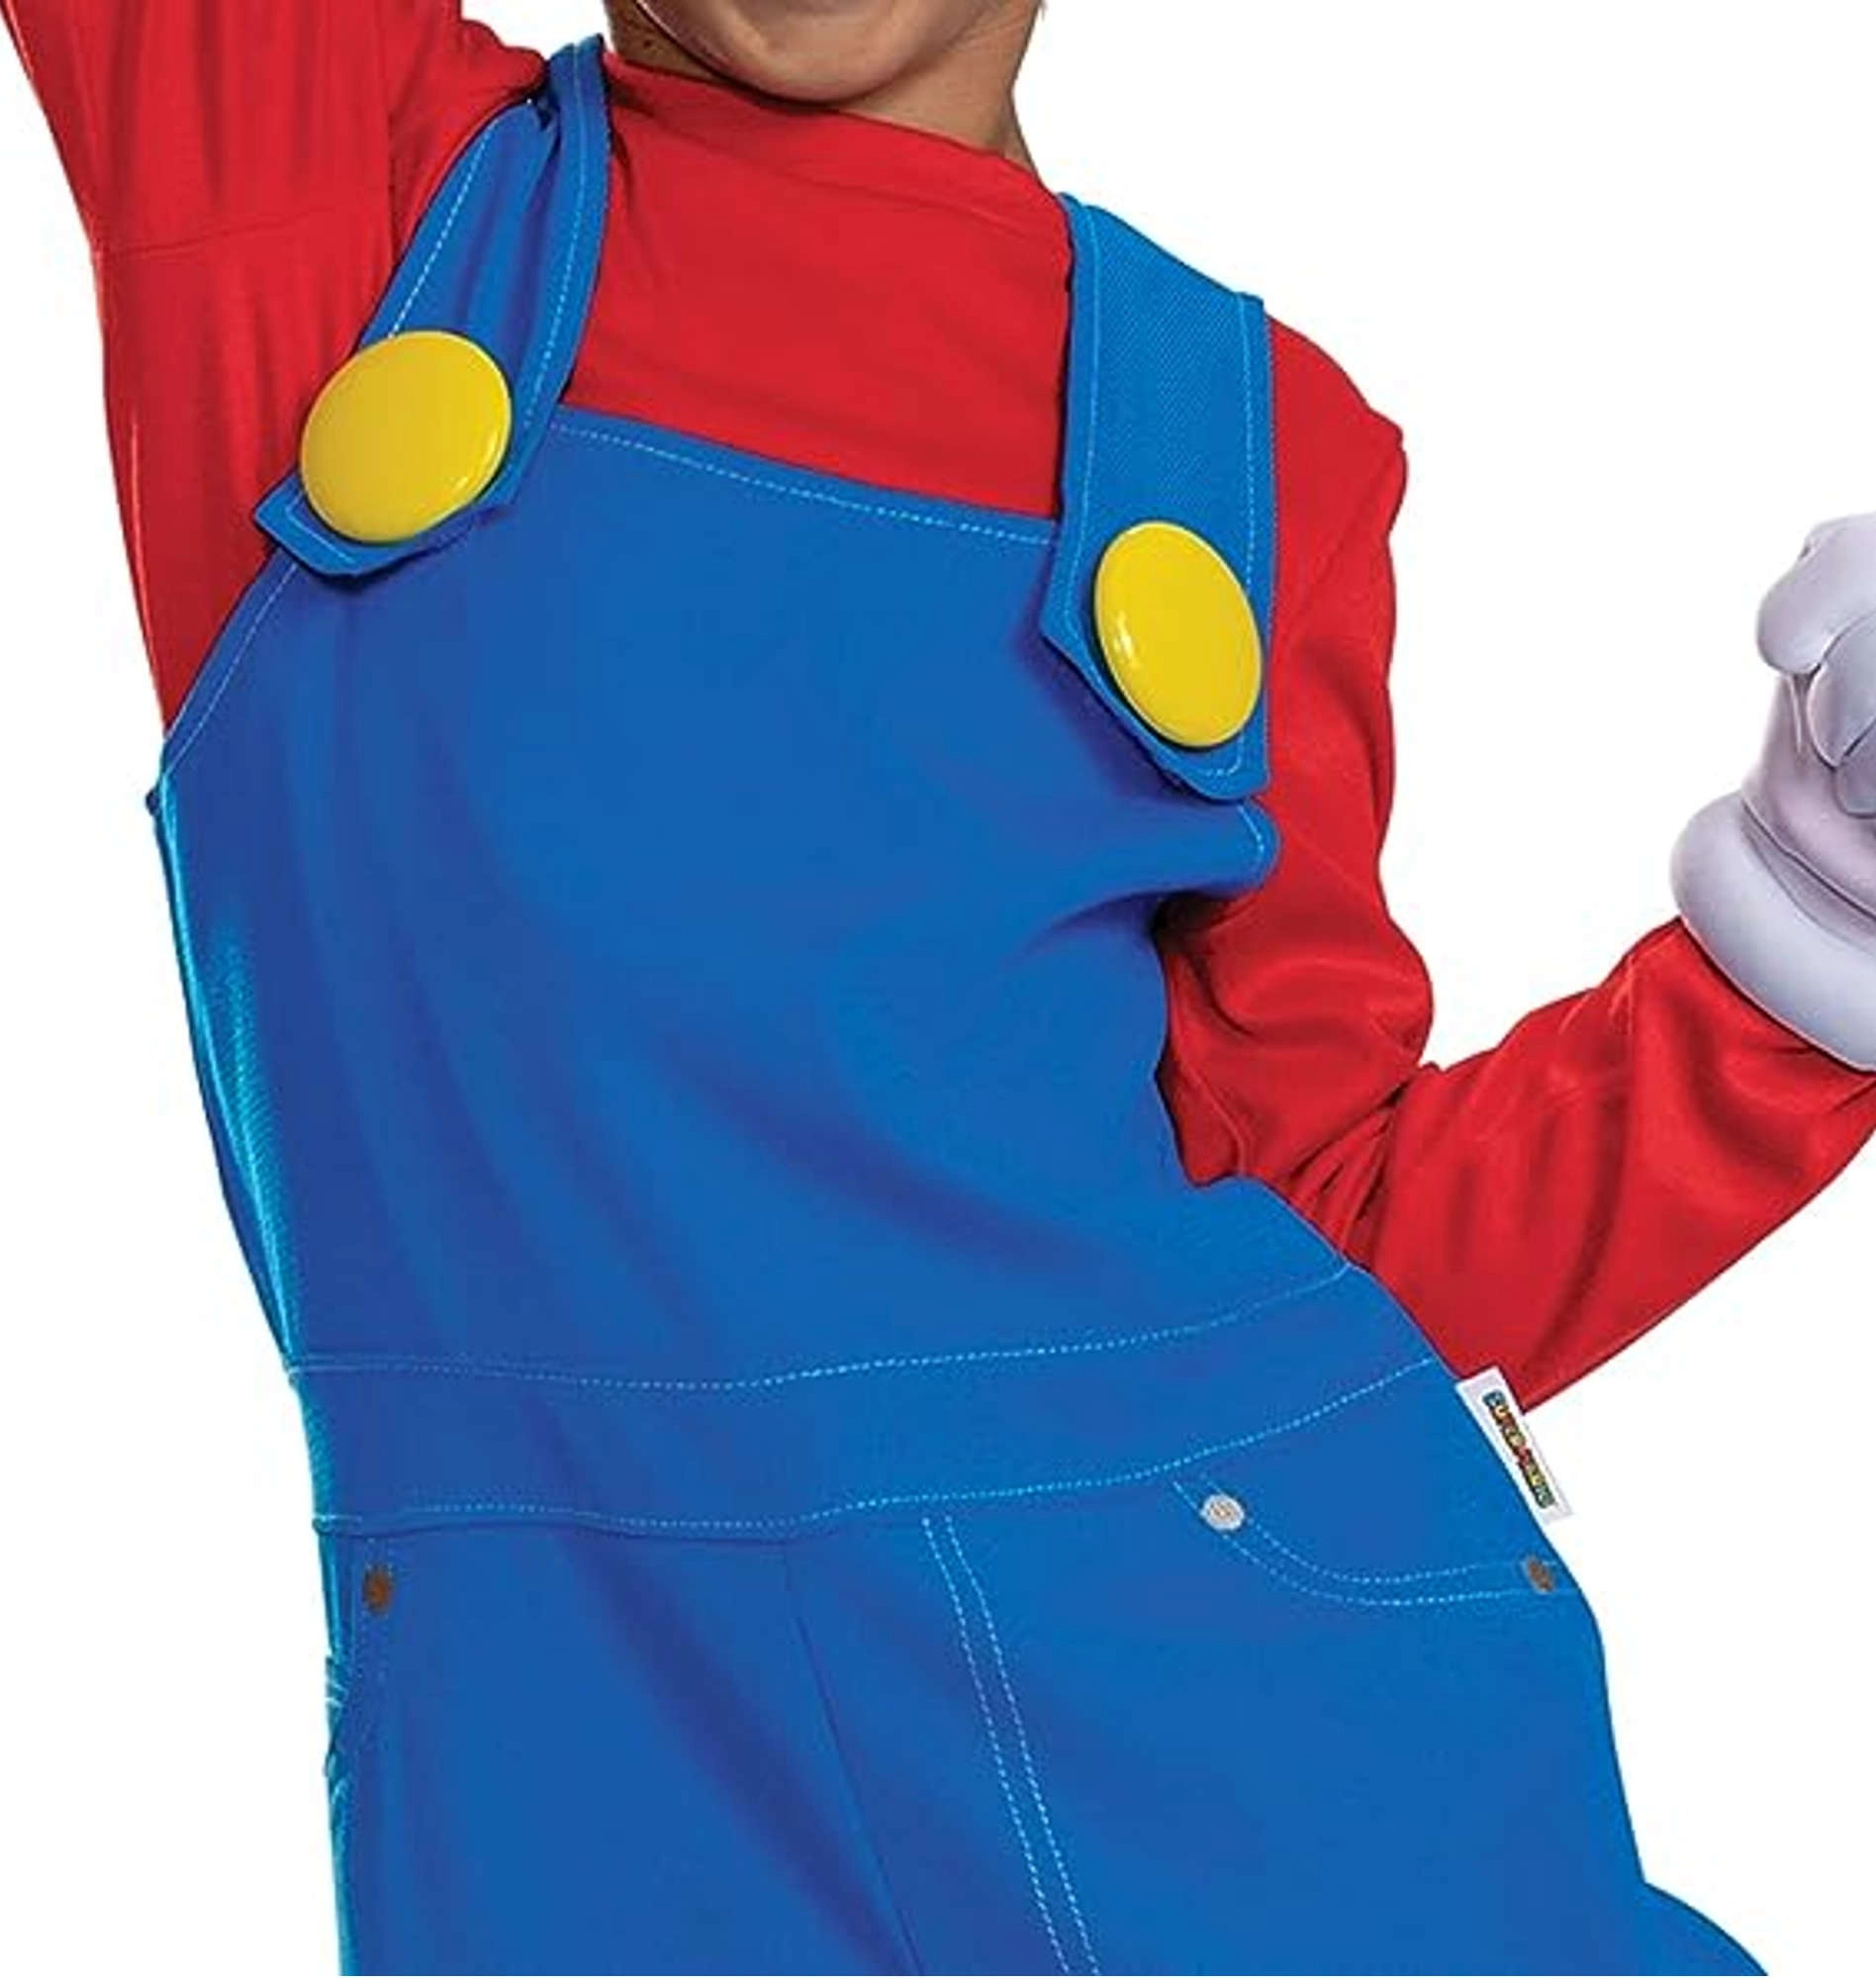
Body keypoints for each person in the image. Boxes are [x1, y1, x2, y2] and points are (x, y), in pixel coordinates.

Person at [5, 4, 1875, 1972]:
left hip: (1265, 1814)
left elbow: (1343, 1257)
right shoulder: (330, 187)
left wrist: (1807, 939)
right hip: (594, 1826)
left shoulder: (1256, 447)